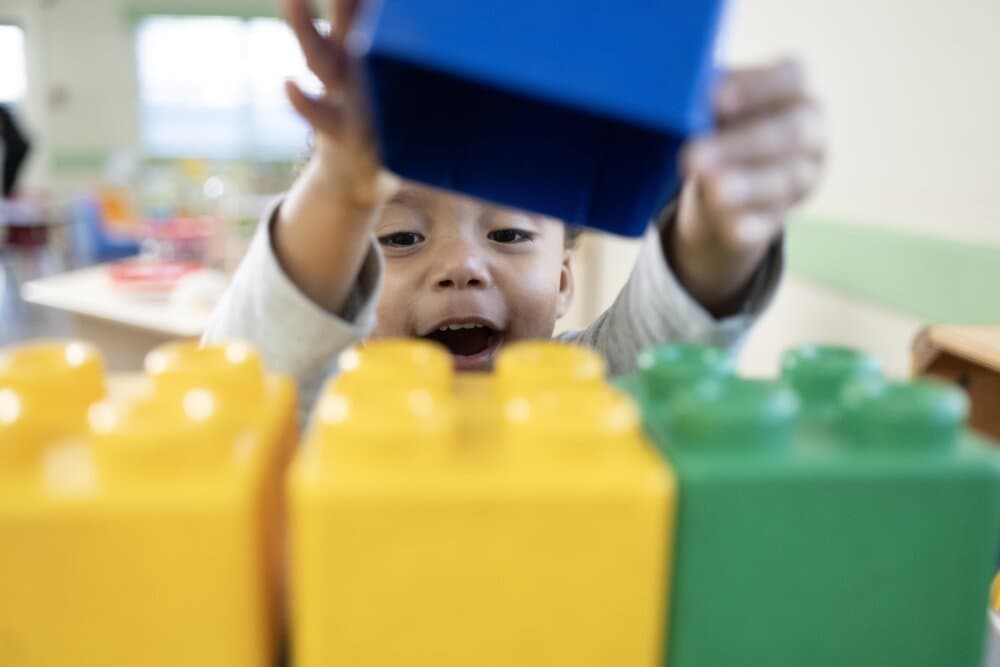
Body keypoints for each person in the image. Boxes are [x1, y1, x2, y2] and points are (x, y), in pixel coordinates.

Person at [205, 0, 827, 420]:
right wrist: (339, 187)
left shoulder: (598, 387)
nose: (462, 266)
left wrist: (719, 223)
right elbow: (257, 361)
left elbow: (672, 338)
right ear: (351, 289)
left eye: (507, 232)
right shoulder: (325, 406)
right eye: (399, 238)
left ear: (561, 281)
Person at [0, 105, 31, 198]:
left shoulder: (3, 113)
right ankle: (8, 195)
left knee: (8, 179)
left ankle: (7, 197)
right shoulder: (5, 113)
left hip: (16, 147)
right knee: (9, 179)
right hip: (18, 146)